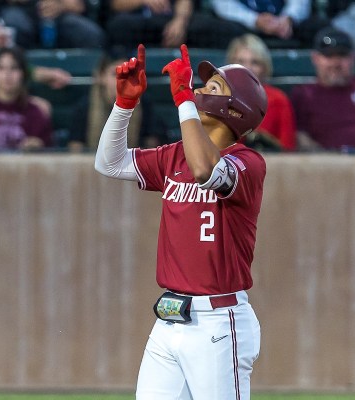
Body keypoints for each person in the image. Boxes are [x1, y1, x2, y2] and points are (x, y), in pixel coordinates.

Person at [95, 43, 266, 400]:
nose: (200, 90)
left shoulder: (248, 162)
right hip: (171, 318)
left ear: (235, 110)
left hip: (219, 322)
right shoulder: (176, 155)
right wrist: (125, 104)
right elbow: (108, 164)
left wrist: (184, 100)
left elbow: (206, 170)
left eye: (213, 87)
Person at [67, 52, 169, 152]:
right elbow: (75, 148)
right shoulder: (85, 106)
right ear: (101, 76)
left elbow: (152, 148)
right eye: (115, 74)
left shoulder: (144, 105)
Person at [226, 33, 296, 151]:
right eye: (241, 61)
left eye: (255, 62)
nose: (247, 68)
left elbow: (288, 148)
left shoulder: (279, 99)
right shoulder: (220, 100)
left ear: (264, 67)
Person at [105, 0, 243, 50]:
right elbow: (116, 4)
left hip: (172, 20)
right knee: (118, 26)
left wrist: (180, 21)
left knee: (228, 30)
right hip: (139, 21)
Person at [208, 0, 330, 48]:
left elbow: (299, 3)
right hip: (245, 26)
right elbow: (223, 5)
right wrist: (255, 20)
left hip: (284, 26)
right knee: (215, 28)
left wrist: (288, 18)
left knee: (320, 26)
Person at [0, 0, 106, 49]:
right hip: (22, 11)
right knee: (14, 22)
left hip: (61, 14)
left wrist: (61, 6)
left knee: (90, 33)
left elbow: (80, 6)